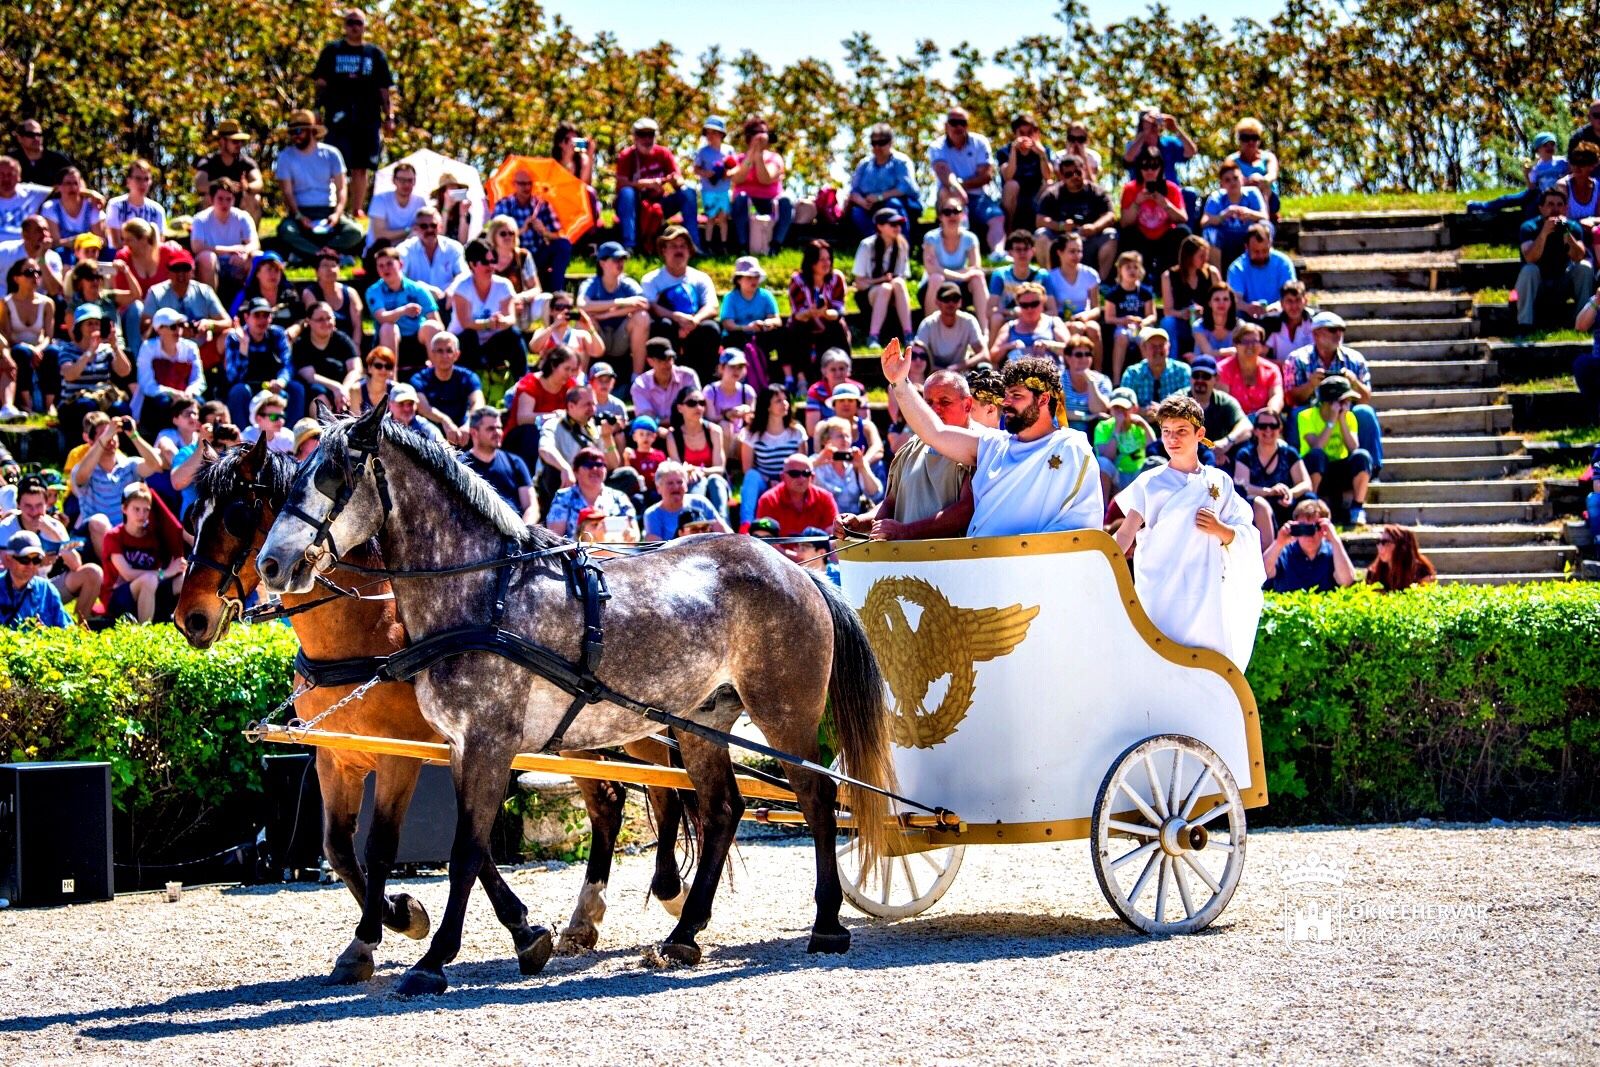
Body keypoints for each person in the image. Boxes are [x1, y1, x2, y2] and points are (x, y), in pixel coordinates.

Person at [884, 344, 1103, 536]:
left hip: (1036, 563)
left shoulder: (1069, 446)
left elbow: (1077, 528)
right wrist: (900, 383)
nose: (1006, 403)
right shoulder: (994, 445)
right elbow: (935, 433)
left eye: (1016, 396)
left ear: (1043, 399)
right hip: (983, 562)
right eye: (1006, 396)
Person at [1113, 395, 1264, 668]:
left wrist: (1220, 529)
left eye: (1181, 431)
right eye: (1166, 431)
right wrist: (1100, 566)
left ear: (1200, 434)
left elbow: (1246, 534)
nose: (1172, 439)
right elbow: (1125, 534)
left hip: (1205, 596)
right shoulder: (1149, 482)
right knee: (1159, 666)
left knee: (1206, 670)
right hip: (1160, 594)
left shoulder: (1219, 481)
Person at [838, 370, 975, 541]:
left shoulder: (978, 447)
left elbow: (965, 510)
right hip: (904, 555)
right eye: (928, 403)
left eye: (944, 402)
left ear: (967, 404)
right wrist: (858, 523)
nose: (935, 409)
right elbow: (891, 503)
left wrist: (906, 531)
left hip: (952, 556)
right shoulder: (910, 447)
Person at [312, 7, 396, 217]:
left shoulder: (375, 54)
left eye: (358, 23)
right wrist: (316, 110)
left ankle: (357, 208)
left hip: (367, 118)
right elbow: (320, 84)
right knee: (334, 163)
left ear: (365, 26)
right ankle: (333, 207)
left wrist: (389, 116)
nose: (354, 27)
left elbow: (384, 89)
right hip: (337, 117)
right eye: (350, 22)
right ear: (344, 25)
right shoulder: (332, 51)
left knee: (361, 165)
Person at [1286, 311, 1383, 470]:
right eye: (1332, 329)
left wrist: (1354, 382)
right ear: (1316, 333)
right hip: (1313, 411)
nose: (1338, 334)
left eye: (1341, 330)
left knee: (1365, 412)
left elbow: (1365, 398)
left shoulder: (1355, 359)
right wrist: (1310, 385)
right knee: (1297, 414)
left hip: (1346, 410)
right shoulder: (1297, 359)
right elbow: (1291, 399)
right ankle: (1297, 469)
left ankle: (1371, 468)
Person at [0, 475, 103, 623]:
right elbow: (5, 569)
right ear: (18, 505)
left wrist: (55, 536)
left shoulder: (54, 526)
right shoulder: (5, 528)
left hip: (46, 587)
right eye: (28, 506)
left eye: (39, 505)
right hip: (13, 588)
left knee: (93, 572)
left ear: (46, 504)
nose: (34, 511)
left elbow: (76, 565)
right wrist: (36, 562)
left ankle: (81, 625)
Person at [272, 109, 363, 260]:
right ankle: (323, 254)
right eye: (292, 132)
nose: (295, 136)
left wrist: (337, 214)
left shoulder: (332, 153)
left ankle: (314, 253)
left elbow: (341, 188)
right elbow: (287, 193)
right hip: (300, 212)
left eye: (299, 131)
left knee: (355, 231)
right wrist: (299, 216)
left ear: (312, 131)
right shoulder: (285, 156)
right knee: (286, 231)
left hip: (328, 210)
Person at [72, 414, 163, 558]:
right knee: (99, 521)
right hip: (95, 539)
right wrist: (106, 436)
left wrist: (133, 435)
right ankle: (112, 569)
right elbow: (80, 477)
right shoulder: (84, 468)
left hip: (128, 533)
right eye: (104, 435)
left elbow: (156, 465)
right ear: (91, 440)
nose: (111, 439)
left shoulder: (130, 465)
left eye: (113, 434)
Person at [641, 225, 720, 377]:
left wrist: (695, 321)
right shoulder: (651, 279)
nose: (679, 250)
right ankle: (665, 376)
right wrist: (676, 317)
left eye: (683, 246)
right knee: (663, 325)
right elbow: (651, 306)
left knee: (711, 328)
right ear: (663, 250)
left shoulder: (701, 278)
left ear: (689, 250)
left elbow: (713, 306)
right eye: (673, 246)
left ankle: (704, 379)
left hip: (694, 324)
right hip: (668, 327)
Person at [929, 108, 1007, 258]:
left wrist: (959, 185)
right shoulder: (937, 146)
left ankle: (998, 253)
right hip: (950, 196)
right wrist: (957, 189)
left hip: (979, 197)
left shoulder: (980, 142)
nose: (958, 127)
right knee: (946, 192)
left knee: (997, 216)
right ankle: (955, 254)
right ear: (946, 126)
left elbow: (985, 176)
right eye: (954, 122)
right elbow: (943, 173)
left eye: (962, 122)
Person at [615, 117, 700, 253]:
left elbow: (679, 181)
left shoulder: (664, 153)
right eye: (642, 134)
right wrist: (644, 184)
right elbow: (620, 185)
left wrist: (674, 181)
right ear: (634, 136)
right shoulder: (627, 155)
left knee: (688, 192)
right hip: (636, 205)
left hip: (660, 204)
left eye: (651, 134)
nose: (647, 139)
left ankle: (694, 245)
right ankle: (629, 246)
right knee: (627, 193)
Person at [103, 483, 186, 624]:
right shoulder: (113, 536)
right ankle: (144, 630)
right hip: (118, 598)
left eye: (146, 510)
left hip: (149, 592)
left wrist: (178, 567)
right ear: (124, 509)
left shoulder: (153, 536)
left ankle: (184, 621)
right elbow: (127, 574)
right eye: (136, 509)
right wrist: (165, 573)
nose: (142, 515)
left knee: (184, 579)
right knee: (149, 579)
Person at [1232, 408, 1313, 551]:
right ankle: (1268, 554)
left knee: (1310, 499)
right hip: (1259, 508)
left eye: (1273, 426)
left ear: (1280, 429)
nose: (1268, 430)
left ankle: (1310, 546)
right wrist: (1269, 492)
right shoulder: (1245, 455)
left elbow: (1306, 484)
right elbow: (1241, 486)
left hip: (1286, 504)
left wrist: (1290, 493)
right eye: (1262, 426)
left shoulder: (1289, 453)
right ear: (1255, 430)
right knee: (1259, 504)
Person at [1296, 374, 1372, 525]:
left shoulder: (1349, 417)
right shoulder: (1306, 416)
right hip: (1316, 471)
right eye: (1343, 401)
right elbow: (1317, 446)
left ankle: (1357, 508)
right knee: (1317, 455)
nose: (1347, 404)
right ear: (1329, 402)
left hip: (1340, 468)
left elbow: (1353, 448)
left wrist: (1342, 421)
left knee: (1362, 456)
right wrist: (1331, 421)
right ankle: (1312, 503)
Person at [1515, 187, 1594, 328]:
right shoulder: (1529, 227)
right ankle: (1525, 324)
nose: (1555, 209)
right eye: (1550, 204)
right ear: (1541, 208)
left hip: (1562, 283)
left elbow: (1578, 257)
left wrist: (1567, 234)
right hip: (1538, 285)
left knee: (1585, 267)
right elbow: (1530, 258)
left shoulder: (1573, 227)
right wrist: (1544, 233)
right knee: (1529, 270)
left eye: (1559, 205)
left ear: (1566, 208)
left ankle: (1582, 322)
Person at [55, 308, 133, 447]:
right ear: (79, 327)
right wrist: (90, 351)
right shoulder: (68, 349)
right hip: (73, 402)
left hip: (102, 398)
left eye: (97, 323)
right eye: (89, 323)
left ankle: (121, 448)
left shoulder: (105, 350)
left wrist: (115, 347)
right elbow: (70, 375)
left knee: (120, 408)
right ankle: (85, 448)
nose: (94, 327)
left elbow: (124, 371)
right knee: (88, 406)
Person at [449, 239, 525, 378]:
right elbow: (465, 323)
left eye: (493, 261)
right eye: (485, 262)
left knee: (513, 335)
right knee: (469, 335)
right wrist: (488, 323)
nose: (490, 266)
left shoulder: (503, 285)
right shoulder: (462, 287)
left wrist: (502, 321)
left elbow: (511, 317)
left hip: (491, 343)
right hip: (463, 344)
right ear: (472, 264)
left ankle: (523, 379)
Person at [1035, 154, 1117, 279]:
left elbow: (1110, 216)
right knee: (1041, 234)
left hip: (1089, 242)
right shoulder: (1052, 194)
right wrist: (1061, 226)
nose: (1074, 176)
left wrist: (1094, 227)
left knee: (1111, 234)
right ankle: (1049, 280)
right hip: (1061, 244)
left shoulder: (1097, 192)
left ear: (1084, 170)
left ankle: (1101, 282)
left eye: (1078, 172)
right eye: (1068, 174)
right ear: (1061, 176)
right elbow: (1040, 220)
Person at [490, 168, 572, 293]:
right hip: (515, 254)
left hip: (539, 253)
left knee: (563, 245)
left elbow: (559, 234)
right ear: (514, 184)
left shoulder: (542, 205)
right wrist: (521, 230)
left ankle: (556, 291)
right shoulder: (504, 204)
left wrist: (544, 231)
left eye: (529, 183)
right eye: (522, 183)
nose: (527, 187)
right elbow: (495, 234)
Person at [223, 296, 301, 427]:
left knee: (296, 388)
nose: (262, 320)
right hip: (247, 386)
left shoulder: (277, 334)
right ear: (246, 317)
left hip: (273, 386)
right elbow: (233, 377)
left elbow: (287, 364)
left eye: (266, 315)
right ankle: (243, 435)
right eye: (257, 315)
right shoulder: (234, 338)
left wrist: (281, 381)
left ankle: (291, 433)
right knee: (238, 391)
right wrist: (244, 347)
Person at [739, 383, 807, 530]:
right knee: (751, 477)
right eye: (778, 401)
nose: (785, 403)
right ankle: (745, 526)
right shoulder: (751, 433)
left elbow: (802, 466)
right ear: (767, 406)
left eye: (786, 399)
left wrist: (784, 482)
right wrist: (770, 481)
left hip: (791, 481)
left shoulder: (796, 432)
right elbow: (747, 468)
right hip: (764, 481)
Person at [365, 246, 443, 371]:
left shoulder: (417, 289)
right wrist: (404, 310)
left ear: (400, 264)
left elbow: (435, 320)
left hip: (417, 339)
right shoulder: (373, 291)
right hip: (389, 339)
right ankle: (390, 378)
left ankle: (437, 373)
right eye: (381, 266)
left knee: (432, 326)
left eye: (389, 264)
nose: (385, 269)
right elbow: (381, 317)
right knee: (388, 327)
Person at [579, 242, 650, 378]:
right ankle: (580, 379)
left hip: (620, 339)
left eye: (623, 259)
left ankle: (637, 378)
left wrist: (607, 314)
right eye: (616, 259)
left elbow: (645, 303)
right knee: (583, 321)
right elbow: (581, 305)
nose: (620, 263)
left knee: (642, 316)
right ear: (602, 263)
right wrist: (620, 302)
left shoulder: (628, 283)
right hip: (598, 339)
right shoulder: (592, 284)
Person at [459, 406, 540, 525]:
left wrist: (524, 531)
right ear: (474, 432)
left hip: (515, 529)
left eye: (499, 427)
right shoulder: (461, 467)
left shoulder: (515, 462)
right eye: (491, 428)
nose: (497, 432)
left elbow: (531, 506)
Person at [662, 385, 733, 520]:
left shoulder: (714, 431)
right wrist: (689, 472)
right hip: (690, 483)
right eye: (692, 403)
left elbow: (720, 469)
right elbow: (677, 471)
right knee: (697, 483)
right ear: (680, 408)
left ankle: (724, 525)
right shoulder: (673, 436)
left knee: (715, 481)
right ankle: (697, 525)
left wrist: (698, 471)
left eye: (701, 403)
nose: (698, 407)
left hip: (715, 481)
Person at [1118, 147, 1189, 277]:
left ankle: (1171, 276)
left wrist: (1166, 205)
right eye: (1145, 166)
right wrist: (1136, 203)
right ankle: (1135, 277)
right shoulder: (1130, 188)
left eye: (1154, 166)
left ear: (1160, 167)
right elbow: (1124, 223)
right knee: (1127, 234)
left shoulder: (1171, 188)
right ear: (1139, 168)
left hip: (1165, 238)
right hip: (1141, 238)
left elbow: (1183, 218)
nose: (1150, 171)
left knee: (1182, 231)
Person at [1262, 498, 1356, 593]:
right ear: (1295, 526)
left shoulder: (1335, 552)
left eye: (1314, 527)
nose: (1308, 534)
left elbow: (1346, 582)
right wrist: (1278, 543)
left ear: (1325, 528)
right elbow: (1261, 575)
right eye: (1303, 527)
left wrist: (1335, 540)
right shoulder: (1283, 552)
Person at [729, 114, 793, 252]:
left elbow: (765, 179)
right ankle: (743, 245)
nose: (761, 136)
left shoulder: (775, 158)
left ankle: (775, 245)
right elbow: (737, 178)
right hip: (747, 204)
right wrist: (751, 155)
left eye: (764, 132)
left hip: (770, 203)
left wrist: (758, 157)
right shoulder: (739, 158)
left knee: (786, 201)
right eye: (756, 133)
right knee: (740, 199)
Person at [852, 208, 914, 351]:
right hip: (868, 295)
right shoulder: (867, 246)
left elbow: (902, 276)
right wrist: (881, 280)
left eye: (899, 224)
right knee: (886, 288)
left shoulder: (902, 245)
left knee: (898, 283)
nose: (897, 228)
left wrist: (889, 281)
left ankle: (909, 334)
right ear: (880, 226)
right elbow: (859, 283)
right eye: (893, 224)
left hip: (894, 295)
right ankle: (873, 336)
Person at [1468, 132, 1568, 220]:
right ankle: (1478, 206)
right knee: (1507, 199)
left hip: (1555, 195)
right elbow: (1532, 187)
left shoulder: (1562, 162)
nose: (1550, 147)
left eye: (1552, 144)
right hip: (1539, 194)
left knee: (1530, 209)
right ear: (1538, 149)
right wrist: (1526, 174)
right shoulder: (1536, 167)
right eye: (1545, 145)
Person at [785, 239, 851, 371]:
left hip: (827, 323)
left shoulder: (836, 278)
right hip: (805, 324)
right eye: (822, 259)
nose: (827, 263)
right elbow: (796, 314)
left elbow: (839, 310)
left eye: (828, 259)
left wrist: (825, 313)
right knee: (798, 328)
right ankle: (801, 375)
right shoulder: (798, 280)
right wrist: (810, 312)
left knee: (838, 326)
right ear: (811, 262)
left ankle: (844, 370)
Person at [134, 307, 204, 429]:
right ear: (159, 330)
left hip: (186, 395)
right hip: (159, 399)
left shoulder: (190, 348)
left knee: (201, 403)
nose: (178, 330)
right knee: (163, 403)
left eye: (180, 325)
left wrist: (189, 392)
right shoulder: (148, 348)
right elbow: (147, 384)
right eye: (173, 326)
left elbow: (199, 379)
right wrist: (172, 393)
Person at [3, 256, 57, 415]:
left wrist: (38, 349)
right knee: (21, 352)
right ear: (16, 278)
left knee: (53, 352)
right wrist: (29, 349)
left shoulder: (47, 303)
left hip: (40, 347)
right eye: (29, 272)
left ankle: (49, 405)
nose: (35, 276)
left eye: (38, 273)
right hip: (18, 348)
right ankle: (26, 404)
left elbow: (48, 336)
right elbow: (7, 337)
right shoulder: (5, 303)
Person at [546, 447, 638, 540]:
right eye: (588, 465)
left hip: (616, 548)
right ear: (576, 472)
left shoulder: (620, 497)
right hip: (576, 549)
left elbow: (635, 533)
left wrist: (631, 536)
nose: (594, 469)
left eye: (599, 465)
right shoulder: (563, 497)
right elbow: (555, 539)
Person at [847, 124, 922, 238]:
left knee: (893, 204)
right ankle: (875, 244)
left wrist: (880, 197)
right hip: (869, 206)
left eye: (882, 143)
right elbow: (854, 190)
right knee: (857, 212)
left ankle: (901, 244)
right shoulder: (864, 164)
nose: (877, 147)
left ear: (891, 142)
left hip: (900, 205)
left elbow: (906, 187)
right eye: (874, 143)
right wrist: (862, 201)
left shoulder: (901, 162)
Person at [921, 203, 989, 326]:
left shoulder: (970, 238)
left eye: (956, 211)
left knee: (977, 278)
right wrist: (962, 275)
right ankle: (929, 329)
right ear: (940, 217)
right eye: (947, 212)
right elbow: (931, 270)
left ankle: (985, 329)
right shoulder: (931, 238)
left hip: (960, 288)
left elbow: (976, 268)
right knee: (936, 278)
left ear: (962, 215)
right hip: (932, 288)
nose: (952, 215)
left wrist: (945, 271)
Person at [1043, 232, 1105, 366]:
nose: (1077, 255)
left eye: (1079, 251)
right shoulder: (1050, 277)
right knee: (1077, 328)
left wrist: (1085, 316)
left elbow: (1096, 309)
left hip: (1084, 318)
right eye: (1072, 251)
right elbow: (1051, 309)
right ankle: (1072, 369)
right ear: (1060, 253)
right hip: (1060, 320)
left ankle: (1098, 371)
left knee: (1093, 328)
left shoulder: (1090, 274)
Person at [410, 331, 483, 444]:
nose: (445, 356)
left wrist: (468, 425)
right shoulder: (419, 379)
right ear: (432, 354)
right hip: (428, 436)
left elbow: (478, 403)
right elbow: (423, 408)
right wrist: (445, 421)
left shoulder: (468, 377)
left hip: (462, 431)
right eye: (440, 351)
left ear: (457, 354)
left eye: (449, 351)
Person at [1157, 233, 1221, 358]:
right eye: (1201, 256)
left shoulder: (1211, 273)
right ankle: (1171, 359)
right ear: (1189, 256)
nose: (1205, 260)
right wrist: (1182, 313)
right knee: (1168, 322)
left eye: (1206, 255)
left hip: (1206, 322)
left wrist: (1205, 312)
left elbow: (1221, 300)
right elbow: (1168, 311)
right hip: (1182, 323)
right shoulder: (1169, 276)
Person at [190, 179, 260, 289]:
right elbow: (197, 247)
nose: (225, 203)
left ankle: (250, 297)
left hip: (237, 262)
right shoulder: (200, 219)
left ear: (233, 200)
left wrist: (245, 253)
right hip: (212, 264)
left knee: (257, 256)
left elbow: (255, 243)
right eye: (220, 199)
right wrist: (230, 250)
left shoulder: (243, 217)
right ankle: (209, 299)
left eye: (228, 199)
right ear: (212, 199)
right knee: (207, 257)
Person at [1184, 355, 1252, 469]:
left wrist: (1226, 443)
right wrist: (1209, 450)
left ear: (1216, 378)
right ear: (1190, 378)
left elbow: (1246, 427)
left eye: (1206, 376)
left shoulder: (1225, 401)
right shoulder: (1180, 400)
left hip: (1221, 459)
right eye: (1196, 375)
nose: (1200, 380)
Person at [193, 119, 265, 222]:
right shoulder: (208, 162)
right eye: (235, 141)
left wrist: (247, 187)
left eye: (241, 141)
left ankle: (249, 232)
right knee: (207, 198)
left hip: (239, 209)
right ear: (222, 141)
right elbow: (200, 184)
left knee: (254, 199)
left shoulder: (247, 162)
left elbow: (259, 183)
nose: (239, 145)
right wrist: (220, 184)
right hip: (216, 209)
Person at [1201, 161, 1269, 269]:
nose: (1232, 182)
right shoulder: (1216, 197)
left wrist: (1249, 213)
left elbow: (1265, 216)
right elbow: (1204, 222)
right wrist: (1223, 215)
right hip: (1225, 239)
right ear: (1222, 184)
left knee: (1265, 226)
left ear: (1242, 179)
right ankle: (1217, 276)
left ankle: (1261, 268)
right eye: (1227, 180)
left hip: (1248, 238)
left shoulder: (1253, 193)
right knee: (1209, 232)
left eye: (1235, 178)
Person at [1100, 250, 1155, 384]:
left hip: (1141, 327)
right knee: (1121, 337)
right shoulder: (1113, 293)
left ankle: (1149, 377)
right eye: (1128, 267)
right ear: (1120, 270)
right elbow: (1108, 317)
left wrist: (1143, 322)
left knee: (1145, 339)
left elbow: (1152, 315)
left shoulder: (1145, 292)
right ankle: (1116, 379)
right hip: (1122, 327)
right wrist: (1123, 320)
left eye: (1135, 267)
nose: (1132, 271)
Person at [718, 255, 783, 366]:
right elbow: (728, 324)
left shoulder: (766, 296)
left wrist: (766, 323)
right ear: (739, 280)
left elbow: (777, 320)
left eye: (756, 277)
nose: (754, 281)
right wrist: (748, 328)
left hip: (761, 336)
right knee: (735, 338)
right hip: (738, 338)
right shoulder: (730, 298)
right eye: (749, 277)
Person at [756, 452, 839, 537]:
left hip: (817, 546)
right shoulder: (768, 500)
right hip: (777, 547)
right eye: (794, 474)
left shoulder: (825, 498)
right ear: (782, 477)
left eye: (806, 473)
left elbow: (834, 534)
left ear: (813, 477)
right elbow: (763, 538)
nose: (801, 478)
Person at [987, 229, 1052, 337]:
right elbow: (990, 310)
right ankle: (993, 348)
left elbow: (1052, 310)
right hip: (1009, 318)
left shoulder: (1042, 275)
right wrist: (1012, 312)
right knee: (996, 318)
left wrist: (1030, 314)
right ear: (1010, 252)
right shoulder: (1000, 275)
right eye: (1018, 249)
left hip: (1036, 319)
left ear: (1033, 251)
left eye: (1026, 249)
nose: (1022, 253)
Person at [990, 281, 1070, 369]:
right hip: (1019, 375)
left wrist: (1049, 345)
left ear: (1043, 301)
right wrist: (1011, 346)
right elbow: (993, 357)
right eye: (1024, 305)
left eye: (1034, 304)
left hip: (1053, 372)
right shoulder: (1010, 327)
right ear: (1018, 304)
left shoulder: (1054, 322)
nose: (1030, 309)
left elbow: (1072, 350)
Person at [642, 461, 729, 541]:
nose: (676, 487)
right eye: (670, 483)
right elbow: (656, 550)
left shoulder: (700, 503)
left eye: (680, 482)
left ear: (686, 485)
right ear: (658, 488)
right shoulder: (652, 515)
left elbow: (726, 535)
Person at [396, 206, 466, 305]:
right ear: (415, 228)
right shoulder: (404, 249)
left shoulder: (453, 247)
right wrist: (422, 289)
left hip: (447, 301)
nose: (429, 229)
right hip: (416, 303)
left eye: (433, 225)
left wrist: (452, 288)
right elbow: (398, 278)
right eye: (424, 226)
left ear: (440, 227)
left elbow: (463, 274)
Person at [0, 530, 70, 628]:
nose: (31, 565)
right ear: (8, 558)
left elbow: (66, 627)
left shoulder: (47, 589)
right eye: (24, 559)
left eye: (36, 560)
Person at [1120, 325, 1190, 422]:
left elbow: (1189, 402)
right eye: (1153, 346)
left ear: (1168, 347)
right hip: (1139, 425)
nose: (1158, 350)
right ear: (1144, 348)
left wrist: (1163, 410)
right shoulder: (1132, 373)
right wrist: (1143, 412)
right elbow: (1122, 404)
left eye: (1161, 345)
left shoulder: (1182, 371)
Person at [507, 344, 582, 435]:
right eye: (567, 369)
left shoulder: (571, 385)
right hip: (522, 436)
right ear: (553, 365)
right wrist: (553, 417)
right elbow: (523, 418)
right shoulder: (530, 383)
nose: (570, 374)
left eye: (573, 370)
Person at [1094, 387, 1155, 498]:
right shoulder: (1104, 426)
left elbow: (1154, 450)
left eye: (1124, 408)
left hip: (1139, 474)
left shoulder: (1139, 426)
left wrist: (1144, 424)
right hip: (1117, 476)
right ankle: (1104, 507)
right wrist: (1117, 428)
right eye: (1116, 407)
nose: (1120, 412)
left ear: (1134, 409)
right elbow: (1106, 458)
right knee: (1103, 463)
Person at [996, 114, 1053, 232]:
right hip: (1014, 198)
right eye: (1022, 133)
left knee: (1049, 184)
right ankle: (1008, 232)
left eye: (1029, 133)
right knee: (1011, 185)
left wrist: (1042, 154)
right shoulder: (1005, 151)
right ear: (1015, 133)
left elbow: (1048, 176)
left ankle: (1042, 231)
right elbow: (1008, 176)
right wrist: (1014, 151)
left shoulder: (1043, 150)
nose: (1026, 136)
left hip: (1035, 197)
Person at [912, 281, 987, 371]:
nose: (951, 303)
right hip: (933, 373)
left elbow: (984, 354)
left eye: (955, 299)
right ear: (937, 302)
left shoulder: (968, 321)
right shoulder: (928, 324)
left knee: (985, 367)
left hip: (960, 373)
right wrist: (943, 371)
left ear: (960, 302)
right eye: (946, 299)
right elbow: (915, 355)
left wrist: (958, 367)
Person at [1227, 224, 1296, 320]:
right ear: (1246, 247)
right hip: (1248, 318)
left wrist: (1277, 306)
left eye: (1265, 251)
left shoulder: (1283, 263)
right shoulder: (1237, 268)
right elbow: (1235, 300)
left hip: (1280, 314)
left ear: (1270, 244)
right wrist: (1248, 307)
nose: (1261, 256)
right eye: (1256, 252)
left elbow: (1292, 294)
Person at [1216, 323, 1283, 416]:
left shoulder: (1271, 370)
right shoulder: (1223, 369)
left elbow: (1277, 397)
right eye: (1245, 342)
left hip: (1264, 420)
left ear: (1261, 345)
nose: (1250, 345)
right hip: (1233, 419)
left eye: (1255, 341)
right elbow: (1223, 403)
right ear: (1236, 345)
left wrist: (1270, 413)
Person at [630, 336, 700, 425]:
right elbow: (646, 417)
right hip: (654, 430)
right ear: (650, 361)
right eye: (661, 360)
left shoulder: (688, 376)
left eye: (669, 359)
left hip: (686, 427)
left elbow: (696, 408)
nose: (666, 364)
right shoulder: (640, 384)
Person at [692, 117, 736, 252]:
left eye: (714, 132)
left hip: (724, 190)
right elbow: (696, 169)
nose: (710, 136)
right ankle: (708, 245)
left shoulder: (729, 150)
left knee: (723, 218)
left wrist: (727, 174)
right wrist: (706, 173)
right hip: (708, 190)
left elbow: (735, 167)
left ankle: (724, 246)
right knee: (710, 217)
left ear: (721, 134)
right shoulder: (703, 152)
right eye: (708, 132)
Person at [1123, 108, 1197, 186]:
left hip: (1170, 191)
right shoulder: (1134, 146)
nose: (1154, 125)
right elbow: (1128, 159)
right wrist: (1144, 132)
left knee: (1190, 192)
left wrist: (1176, 128)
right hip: (1142, 192)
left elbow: (1191, 152)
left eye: (1156, 120)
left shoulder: (1169, 143)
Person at [105, 159, 168, 251]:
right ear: (128, 181)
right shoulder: (115, 205)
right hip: (120, 256)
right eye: (138, 179)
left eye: (146, 179)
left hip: (148, 257)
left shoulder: (157, 210)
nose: (143, 184)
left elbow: (158, 243)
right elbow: (116, 243)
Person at [704, 349, 756, 458]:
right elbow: (710, 419)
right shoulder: (710, 391)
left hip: (739, 439)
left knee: (746, 433)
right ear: (721, 368)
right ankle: (723, 465)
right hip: (716, 440)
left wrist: (747, 412)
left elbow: (753, 421)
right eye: (732, 366)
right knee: (725, 426)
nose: (736, 371)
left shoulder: (748, 391)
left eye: (740, 367)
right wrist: (727, 415)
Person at [366, 160, 423, 252]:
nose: (406, 184)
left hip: (407, 251)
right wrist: (408, 231)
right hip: (380, 251)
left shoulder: (420, 202)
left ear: (414, 181)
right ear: (394, 180)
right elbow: (379, 235)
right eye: (402, 180)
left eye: (410, 180)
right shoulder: (380, 200)